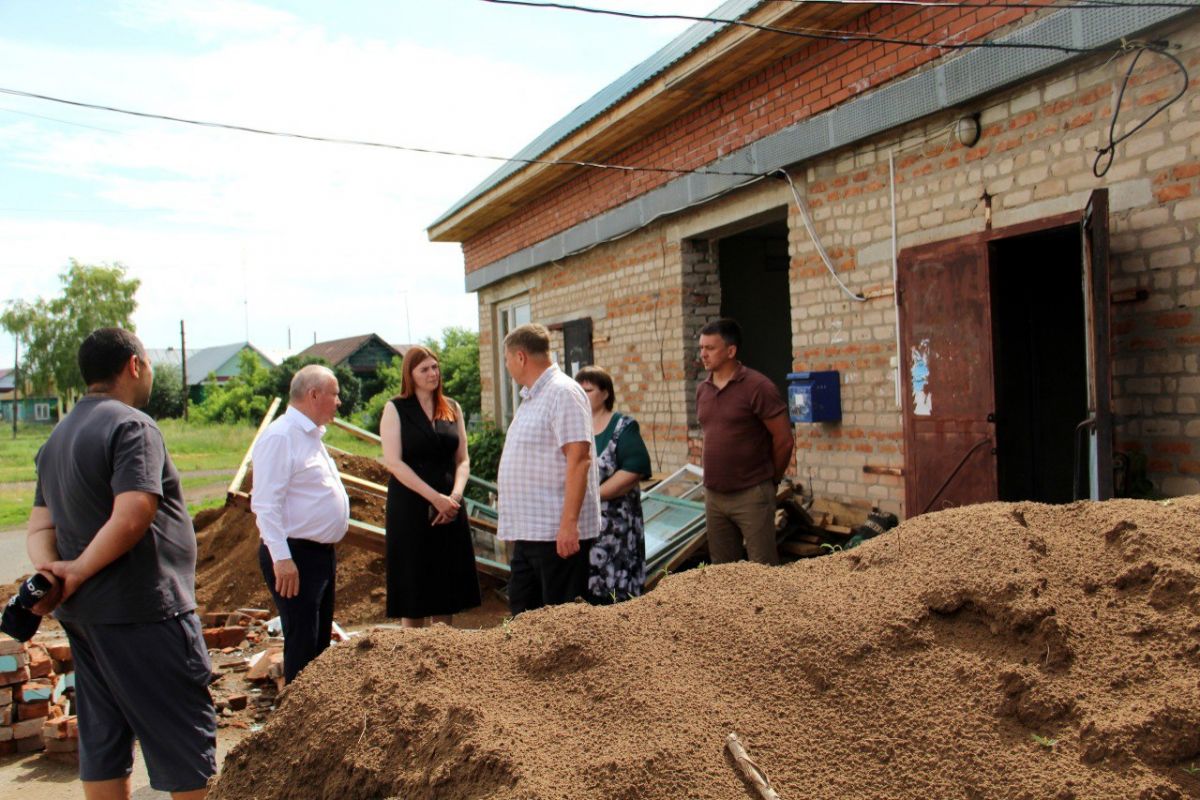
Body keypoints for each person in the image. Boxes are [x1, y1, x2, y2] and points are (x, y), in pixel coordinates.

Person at [27, 327, 215, 799]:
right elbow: (133, 514)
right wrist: (80, 569)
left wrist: (55, 573)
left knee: (104, 743)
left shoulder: (57, 438)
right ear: (134, 365)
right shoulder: (132, 425)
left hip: (88, 619)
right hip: (146, 613)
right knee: (187, 750)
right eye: (148, 363)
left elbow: (38, 531)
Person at [251, 364, 349, 683]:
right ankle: (294, 724)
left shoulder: (310, 436)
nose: (339, 402)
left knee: (318, 642)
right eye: (334, 394)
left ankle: (313, 723)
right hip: (295, 556)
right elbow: (266, 504)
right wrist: (282, 558)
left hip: (318, 554)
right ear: (314, 394)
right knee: (303, 645)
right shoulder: (281, 437)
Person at [496, 323, 601, 615]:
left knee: (559, 623)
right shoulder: (533, 397)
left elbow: (579, 459)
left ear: (520, 357)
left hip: (556, 535)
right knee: (523, 619)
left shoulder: (563, 393)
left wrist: (569, 524)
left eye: (506, 359)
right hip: (531, 532)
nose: (507, 367)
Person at [380, 345, 480, 627]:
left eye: (435, 367)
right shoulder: (395, 408)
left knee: (444, 585)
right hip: (411, 506)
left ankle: (442, 653)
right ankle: (413, 659)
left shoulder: (452, 408)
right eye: (424, 369)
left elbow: (463, 459)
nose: (432, 373)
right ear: (410, 375)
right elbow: (394, 463)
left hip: (450, 505)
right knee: (413, 586)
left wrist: (455, 498)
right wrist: (434, 498)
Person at [696, 318, 794, 565]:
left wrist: (770, 480)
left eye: (710, 348)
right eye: (701, 348)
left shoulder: (758, 387)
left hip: (751, 494)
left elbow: (784, 440)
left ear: (731, 351)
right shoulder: (703, 390)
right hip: (714, 495)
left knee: (762, 569)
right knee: (723, 572)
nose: (703, 355)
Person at [575, 366, 651, 603]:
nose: (582, 395)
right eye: (579, 390)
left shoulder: (623, 426)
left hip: (617, 530)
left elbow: (633, 469)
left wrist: (591, 496)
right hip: (583, 527)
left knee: (616, 596)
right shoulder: (575, 428)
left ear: (605, 393)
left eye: (588, 390)